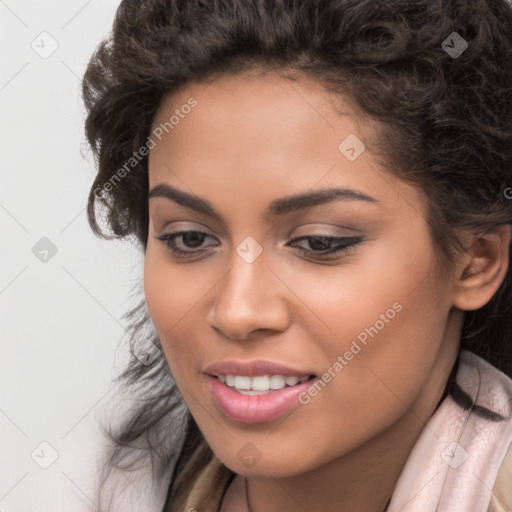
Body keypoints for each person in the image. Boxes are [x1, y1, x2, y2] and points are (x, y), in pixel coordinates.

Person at [82, 0, 512, 510]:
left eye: (320, 242)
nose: (238, 312)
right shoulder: (96, 487)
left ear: (476, 260)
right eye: (189, 238)